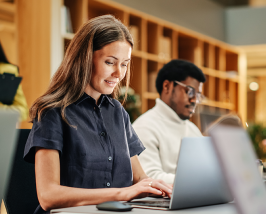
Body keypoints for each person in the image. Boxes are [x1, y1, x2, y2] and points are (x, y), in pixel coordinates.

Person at [24, 15, 172, 214]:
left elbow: (140, 179)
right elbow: (48, 196)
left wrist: (165, 189)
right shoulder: (52, 112)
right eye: (110, 62)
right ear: (85, 59)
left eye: (125, 64)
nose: (119, 74)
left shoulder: (118, 113)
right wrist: (122, 194)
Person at [132, 59, 206, 184]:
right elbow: (148, 178)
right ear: (167, 86)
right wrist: (199, 182)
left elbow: (205, 172)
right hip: (163, 201)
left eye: (198, 95)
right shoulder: (144, 127)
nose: (194, 100)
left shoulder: (193, 129)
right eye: (190, 92)